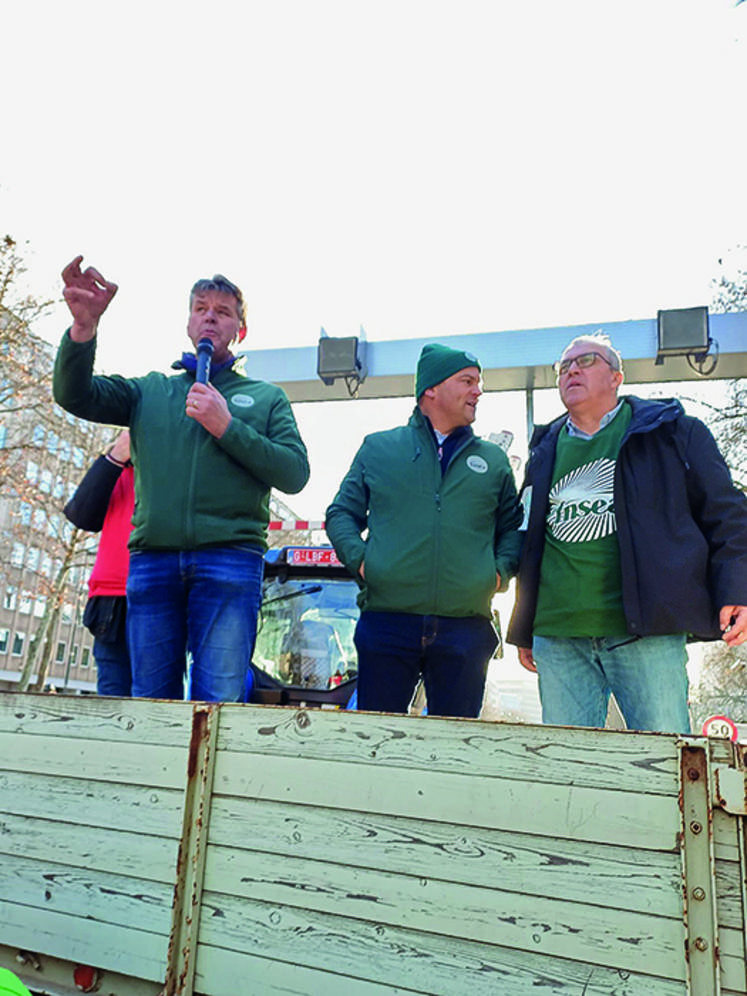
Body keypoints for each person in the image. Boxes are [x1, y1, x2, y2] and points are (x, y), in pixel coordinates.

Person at [54, 257, 310, 703]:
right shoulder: (149, 392)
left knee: (219, 701)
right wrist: (83, 328)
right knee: (151, 699)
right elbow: (74, 394)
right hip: (153, 562)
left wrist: (227, 426)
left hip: (231, 560)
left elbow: (294, 473)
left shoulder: (267, 399)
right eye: (200, 308)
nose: (210, 315)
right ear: (188, 324)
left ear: (240, 330)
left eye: (223, 311)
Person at [506, 332, 747, 733]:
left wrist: (737, 587)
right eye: (563, 367)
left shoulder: (673, 433)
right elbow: (530, 537)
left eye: (586, 361)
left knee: (665, 764)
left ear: (617, 377)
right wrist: (525, 625)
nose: (571, 371)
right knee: (569, 772)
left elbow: (727, 513)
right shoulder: (544, 449)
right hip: (558, 637)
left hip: (646, 633)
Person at [326, 343, 523, 718]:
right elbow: (340, 514)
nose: (477, 391)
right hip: (386, 624)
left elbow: (512, 528)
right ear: (430, 389)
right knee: (378, 744)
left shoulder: (493, 462)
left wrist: (496, 575)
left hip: (466, 628)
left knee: (452, 753)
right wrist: (365, 563)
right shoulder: (379, 449)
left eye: (478, 383)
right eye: (467, 381)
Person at [63, 430, 134, 697]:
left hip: (160, 593)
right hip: (112, 598)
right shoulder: (116, 471)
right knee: (113, 693)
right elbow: (83, 515)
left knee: (156, 694)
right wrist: (117, 455)